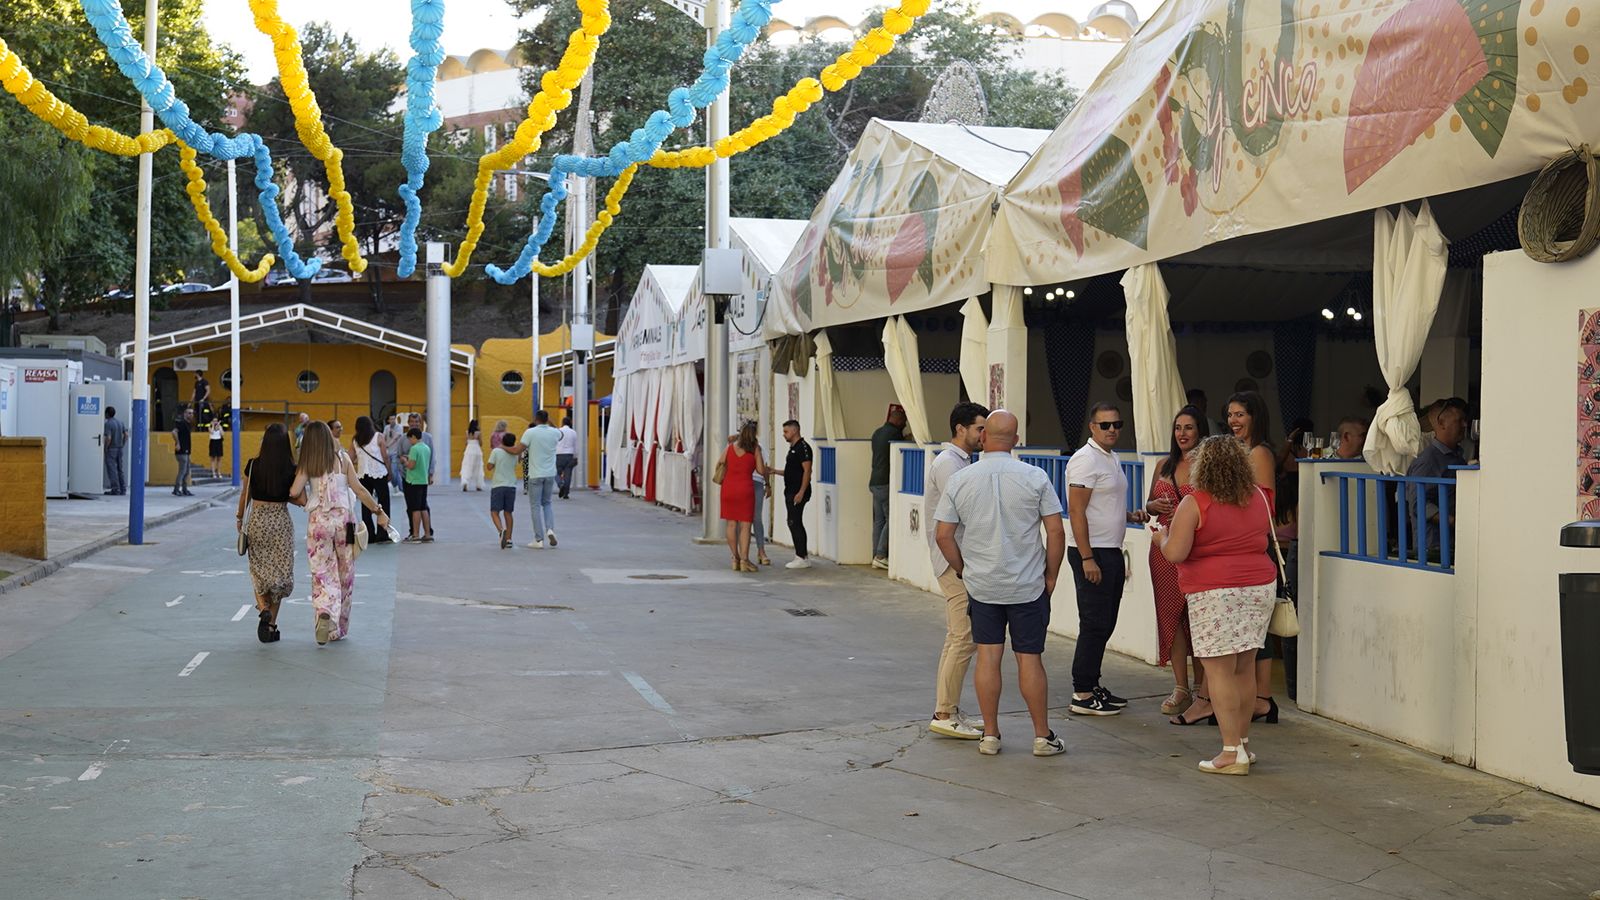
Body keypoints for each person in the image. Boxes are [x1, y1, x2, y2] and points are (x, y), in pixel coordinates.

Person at [934, 410, 1067, 758]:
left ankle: (990, 735)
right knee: (1030, 660)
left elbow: (943, 535)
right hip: (1027, 585)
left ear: (984, 438)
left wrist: (963, 569)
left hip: (982, 585)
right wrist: (1051, 575)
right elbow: (1055, 531)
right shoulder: (1035, 477)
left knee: (988, 659)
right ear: (1016, 439)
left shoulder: (961, 480)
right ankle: (1042, 737)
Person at [1151, 435, 1280, 775]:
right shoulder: (1260, 498)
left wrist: (1159, 537)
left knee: (1219, 671)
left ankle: (1229, 752)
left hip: (1214, 592)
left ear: (1202, 466)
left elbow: (1175, 552)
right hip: (1258, 588)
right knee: (1244, 668)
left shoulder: (1195, 503)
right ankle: (1243, 745)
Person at [1064, 402, 1149, 716]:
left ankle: (1092, 683)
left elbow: (1102, 505)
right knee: (1094, 623)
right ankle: (1082, 693)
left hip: (1109, 549)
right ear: (1092, 427)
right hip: (1092, 552)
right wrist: (1087, 558)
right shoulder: (1085, 461)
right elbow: (1076, 510)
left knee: (1105, 623)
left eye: (1117, 424)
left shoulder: (1109, 458)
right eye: (1105, 425)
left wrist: (1129, 515)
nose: (1112, 429)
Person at [291, 421, 389, 645]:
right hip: (346, 522)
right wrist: (379, 512)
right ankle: (338, 627)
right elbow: (360, 490)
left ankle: (325, 611)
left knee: (322, 572)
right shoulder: (343, 459)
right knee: (346, 572)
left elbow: (295, 491)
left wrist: (309, 502)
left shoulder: (308, 463)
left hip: (318, 523)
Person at [924, 401, 989, 740]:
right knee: (963, 636)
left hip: (958, 559)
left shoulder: (959, 461)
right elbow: (964, 514)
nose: (984, 435)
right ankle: (944, 712)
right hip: (955, 561)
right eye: (980, 428)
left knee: (959, 637)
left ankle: (947, 706)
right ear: (960, 429)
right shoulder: (949, 464)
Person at [1146, 406, 1208, 721]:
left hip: (1198, 549)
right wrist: (1151, 505)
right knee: (1170, 617)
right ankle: (1181, 687)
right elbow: (1148, 506)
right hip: (1162, 550)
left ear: (1200, 431)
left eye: (1189, 428)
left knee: (1198, 618)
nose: (1182, 433)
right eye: (1178, 428)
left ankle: (1204, 689)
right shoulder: (1163, 465)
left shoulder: (1207, 465)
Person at [1225, 390, 1280, 724]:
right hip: (1241, 544)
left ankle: (1263, 697)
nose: (1233, 420)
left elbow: (1262, 505)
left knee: (1258, 627)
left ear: (1255, 417)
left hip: (1257, 545)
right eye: (1230, 414)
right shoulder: (1241, 451)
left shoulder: (1260, 453)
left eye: (1240, 414)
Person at [236, 424, 301, 643]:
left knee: (258, 571)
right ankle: (271, 626)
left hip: (257, 521)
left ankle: (263, 607)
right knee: (280, 576)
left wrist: (239, 518)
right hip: (280, 522)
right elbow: (300, 499)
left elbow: (246, 495)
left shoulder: (253, 465)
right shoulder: (291, 468)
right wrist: (283, 494)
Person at [1406, 397, 1469, 555]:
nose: (1465, 425)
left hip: (1454, 544)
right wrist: (1455, 522)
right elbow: (1418, 504)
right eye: (1459, 420)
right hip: (1433, 548)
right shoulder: (1427, 460)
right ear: (1441, 423)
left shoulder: (1457, 457)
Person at [513, 410, 561, 549]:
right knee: (547, 503)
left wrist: (504, 448)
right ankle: (550, 529)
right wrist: (549, 421)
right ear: (547, 419)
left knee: (535, 506)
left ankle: (538, 539)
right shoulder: (555, 432)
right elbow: (558, 430)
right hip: (550, 474)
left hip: (535, 474)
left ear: (535, 419)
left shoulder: (530, 432)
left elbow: (518, 450)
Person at [720, 422, 765, 572]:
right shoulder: (755, 449)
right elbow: (760, 470)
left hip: (728, 488)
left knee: (731, 524)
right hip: (745, 489)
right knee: (745, 526)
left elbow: (720, 462)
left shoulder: (730, 448)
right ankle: (745, 561)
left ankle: (735, 558)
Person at [869, 404, 908, 569]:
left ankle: (875, 555)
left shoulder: (877, 432)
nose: (905, 425)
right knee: (890, 518)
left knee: (879, 520)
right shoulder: (894, 433)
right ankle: (881, 554)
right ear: (899, 421)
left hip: (874, 481)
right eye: (904, 422)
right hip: (885, 482)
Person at [351, 416, 393, 544]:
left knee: (366, 504)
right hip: (379, 473)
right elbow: (385, 456)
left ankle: (369, 534)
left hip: (363, 474)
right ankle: (383, 532)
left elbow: (350, 458)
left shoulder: (355, 440)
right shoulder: (379, 436)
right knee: (384, 501)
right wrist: (389, 471)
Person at [779, 419, 813, 569]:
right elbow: (790, 471)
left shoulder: (803, 448)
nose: (784, 435)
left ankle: (801, 556)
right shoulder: (793, 448)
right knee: (793, 522)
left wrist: (801, 492)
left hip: (797, 492)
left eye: (786, 432)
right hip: (790, 491)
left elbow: (807, 471)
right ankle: (801, 555)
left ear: (794, 431)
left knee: (794, 522)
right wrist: (774, 471)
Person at [486, 432, 519, 548]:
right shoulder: (515, 454)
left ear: (502, 441)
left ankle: (501, 530)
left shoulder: (496, 451)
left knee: (494, 512)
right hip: (511, 486)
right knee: (508, 513)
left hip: (498, 485)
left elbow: (489, 466)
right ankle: (509, 539)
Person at [401, 427, 433, 543]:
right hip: (423, 480)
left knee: (415, 509)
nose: (410, 441)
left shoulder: (414, 449)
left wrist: (405, 461)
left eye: (410, 439)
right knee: (423, 508)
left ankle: (415, 534)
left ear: (414, 437)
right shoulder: (426, 448)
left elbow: (411, 465)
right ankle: (427, 534)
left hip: (413, 481)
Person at [103, 405, 127, 495]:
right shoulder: (120, 422)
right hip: (119, 448)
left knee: (112, 469)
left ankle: (115, 489)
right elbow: (126, 435)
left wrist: (106, 448)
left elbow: (108, 438)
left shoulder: (108, 424)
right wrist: (122, 444)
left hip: (112, 449)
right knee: (120, 469)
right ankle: (123, 489)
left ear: (107, 414)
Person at [172, 406, 195, 496]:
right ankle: (176, 489)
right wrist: (177, 443)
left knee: (187, 471)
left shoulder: (188, 424)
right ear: (185, 414)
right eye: (189, 413)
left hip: (187, 451)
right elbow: (174, 432)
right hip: (181, 451)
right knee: (182, 471)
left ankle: (184, 489)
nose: (191, 415)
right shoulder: (181, 423)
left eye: (192, 413)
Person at [556, 416, 579, 499]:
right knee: (568, 474)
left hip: (559, 454)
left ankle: (560, 484)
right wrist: (576, 456)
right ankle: (566, 493)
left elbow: (554, 443)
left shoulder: (558, 431)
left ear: (562, 423)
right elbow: (576, 446)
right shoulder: (573, 432)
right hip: (569, 454)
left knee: (556, 472)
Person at [460, 418, 485, 491]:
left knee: (466, 466)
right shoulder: (478, 433)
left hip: (469, 450)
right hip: (477, 450)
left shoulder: (467, 432)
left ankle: (465, 482)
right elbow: (481, 443)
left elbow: (466, 443)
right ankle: (478, 485)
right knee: (478, 468)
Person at [384, 415, 406, 488]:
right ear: (388, 420)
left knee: (394, 471)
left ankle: (399, 488)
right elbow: (383, 437)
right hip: (388, 452)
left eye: (394, 419)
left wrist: (387, 445)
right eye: (391, 419)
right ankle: (396, 487)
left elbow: (395, 438)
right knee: (390, 471)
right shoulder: (387, 427)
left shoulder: (399, 427)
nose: (393, 420)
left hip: (396, 453)